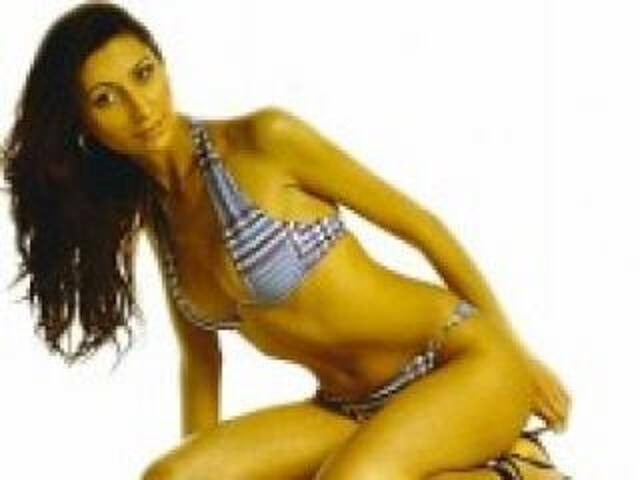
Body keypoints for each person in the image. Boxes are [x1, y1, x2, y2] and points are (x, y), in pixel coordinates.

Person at [1, 2, 572, 479]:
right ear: (82, 125)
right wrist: (201, 461)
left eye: (143, 73)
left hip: (458, 363)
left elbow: (423, 227)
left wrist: (521, 356)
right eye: (106, 98)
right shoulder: (160, 218)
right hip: (346, 409)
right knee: (170, 478)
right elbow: (201, 361)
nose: (140, 106)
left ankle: (518, 470)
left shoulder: (264, 140)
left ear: (163, 65)